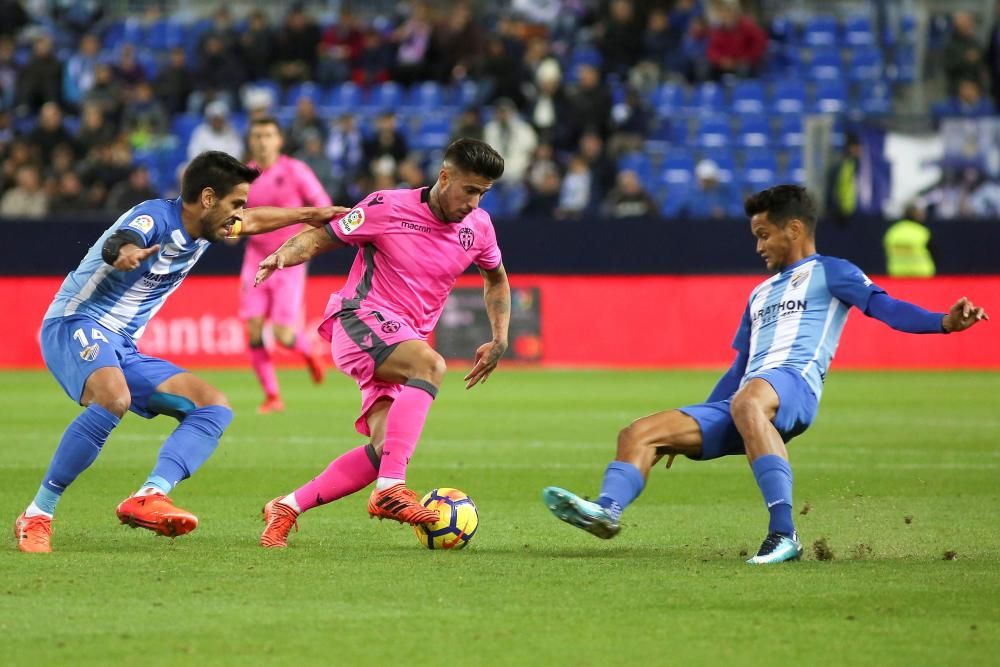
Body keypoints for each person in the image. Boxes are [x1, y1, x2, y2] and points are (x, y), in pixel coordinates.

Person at [542, 185, 988, 564]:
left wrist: (944, 322)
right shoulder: (759, 294)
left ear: (794, 229)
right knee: (639, 432)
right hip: (747, 399)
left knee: (749, 399)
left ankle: (784, 535)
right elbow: (739, 369)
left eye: (763, 234)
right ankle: (606, 511)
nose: (758, 247)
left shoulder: (832, 272)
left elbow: (886, 307)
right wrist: (697, 417)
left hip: (794, 387)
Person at [14, 151, 348, 553]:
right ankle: (38, 514)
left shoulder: (209, 226)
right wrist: (124, 253)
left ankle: (149, 495)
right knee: (113, 397)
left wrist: (308, 214)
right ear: (207, 198)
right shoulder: (155, 218)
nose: (238, 216)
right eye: (235, 204)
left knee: (213, 406)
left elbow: (254, 221)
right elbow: (124, 240)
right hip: (76, 323)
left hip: (122, 344)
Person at [257, 138, 510, 547]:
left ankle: (286, 507)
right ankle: (391, 488)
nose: (475, 202)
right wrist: (283, 254)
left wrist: (499, 336)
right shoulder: (387, 206)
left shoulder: (478, 227)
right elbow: (324, 236)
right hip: (358, 320)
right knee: (431, 366)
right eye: (470, 190)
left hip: (400, 340)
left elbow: (495, 277)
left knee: (384, 447)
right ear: (445, 177)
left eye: (483, 193)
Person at [241, 117, 332, 414]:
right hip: (255, 258)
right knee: (253, 330)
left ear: (279, 140)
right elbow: (233, 215)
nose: (262, 141)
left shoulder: (296, 171)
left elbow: (322, 205)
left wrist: (308, 240)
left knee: (282, 334)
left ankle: (308, 354)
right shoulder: (244, 176)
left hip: (288, 260)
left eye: (268, 135)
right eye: (257, 136)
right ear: (251, 141)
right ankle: (272, 396)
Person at [884, 203, 935, 278]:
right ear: (916, 216)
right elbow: (934, 252)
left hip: (897, 275)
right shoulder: (921, 232)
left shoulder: (893, 231)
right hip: (921, 276)